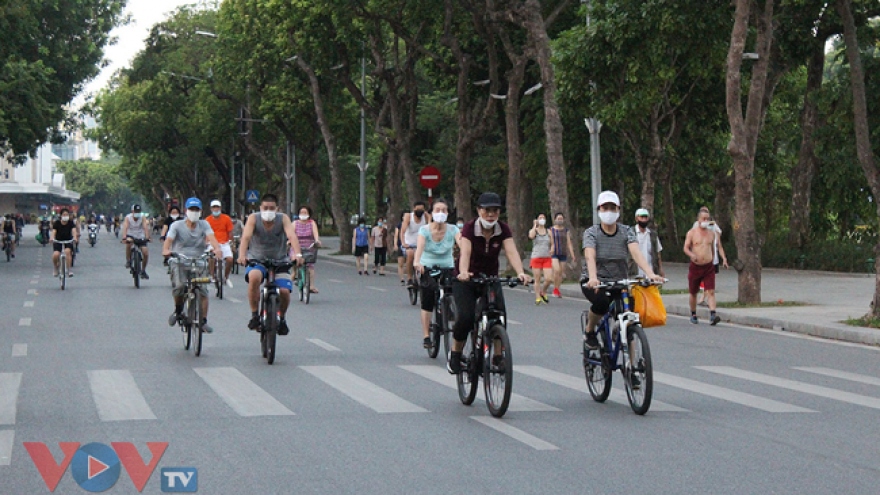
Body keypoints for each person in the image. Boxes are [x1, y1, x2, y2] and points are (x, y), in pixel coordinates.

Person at [448, 192, 531, 374]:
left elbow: (511, 251)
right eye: (487, 210)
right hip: (467, 278)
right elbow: (465, 252)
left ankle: (498, 356)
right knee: (466, 317)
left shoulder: (503, 229)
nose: (491, 214)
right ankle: (455, 354)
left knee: (499, 314)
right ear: (479, 210)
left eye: (495, 210)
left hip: (490, 278)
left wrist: (520, 272)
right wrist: (463, 272)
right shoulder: (470, 228)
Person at [581, 191, 663, 351]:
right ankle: (590, 331)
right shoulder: (591, 232)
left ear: (618, 210)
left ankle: (630, 360)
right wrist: (593, 277)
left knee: (628, 313)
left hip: (619, 281)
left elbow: (636, 253)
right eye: (605, 208)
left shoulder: (626, 231)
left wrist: (650, 273)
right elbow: (590, 255)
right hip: (595, 281)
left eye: (612, 208)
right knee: (601, 303)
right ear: (598, 210)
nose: (609, 211)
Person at [237, 193, 303, 335]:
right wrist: (242, 255)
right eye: (265, 207)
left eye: (272, 208)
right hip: (257, 259)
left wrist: (298, 254)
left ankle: (282, 318)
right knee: (254, 278)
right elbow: (246, 237)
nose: (268, 211)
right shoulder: (253, 218)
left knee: (284, 291)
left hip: (280, 260)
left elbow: (292, 236)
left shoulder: (283, 218)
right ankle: (255, 315)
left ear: (277, 208)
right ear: (260, 208)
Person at [163, 198, 223, 333]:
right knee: (180, 287)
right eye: (191, 209)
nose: (194, 212)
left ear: (200, 211)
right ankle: (178, 310)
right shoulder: (177, 225)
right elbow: (169, 240)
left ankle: (203, 321)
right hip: (180, 260)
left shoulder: (204, 224)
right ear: (186, 210)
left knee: (203, 291)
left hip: (199, 260)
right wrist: (166, 250)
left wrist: (217, 249)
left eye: (196, 210)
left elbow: (212, 238)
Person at [413, 199, 460, 349]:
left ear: (448, 213)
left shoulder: (453, 230)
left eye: (444, 210)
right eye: (437, 210)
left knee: (454, 291)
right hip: (428, 267)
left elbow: (463, 245)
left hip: (448, 266)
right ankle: (426, 335)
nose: (440, 213)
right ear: (431, 213)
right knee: (427, 301)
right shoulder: (424, 230)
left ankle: (449, 308)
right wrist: (417, 262)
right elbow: (420, 247)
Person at [684, 208, 728, 325]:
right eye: (703, 218)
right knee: (693, 292)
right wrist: (692, 255)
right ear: (698, 220)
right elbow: (686, 248)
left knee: (711, 291)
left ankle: (713, 314)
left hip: (708, 266)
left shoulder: (712, 234)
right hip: (696, 266)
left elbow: (714, 248)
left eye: (707, 219)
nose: (706, 221)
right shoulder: (692, 233)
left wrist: (715, 259)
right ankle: (693, 313)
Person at [205, 200, 235, 288]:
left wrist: (232, 244)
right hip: (212, 243)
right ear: (211, 209)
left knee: (230, 259)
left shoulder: (226, 218)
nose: (216, 209)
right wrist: (206, 242)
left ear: (220, 208)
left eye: (217, 207)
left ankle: (226, 277)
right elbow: (205, 233)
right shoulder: (207, 220)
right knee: (211, 257)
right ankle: (212, 276)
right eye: (214, 207)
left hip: (224, 243)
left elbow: (230, 232)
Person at [399, 201, 430, 286]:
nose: (420, 211)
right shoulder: (409, 216)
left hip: (420, 243)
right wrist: (403, 243)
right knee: (410, 254)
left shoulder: (426, 216)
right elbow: (402, 231)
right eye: (418, 209)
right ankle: (409, 278)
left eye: (421, 209)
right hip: (409, 243)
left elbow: (431, 228)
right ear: (414, 209)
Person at [292, 205, 322, 293]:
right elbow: (291, 235)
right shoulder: (294, 223)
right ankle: (295, 272)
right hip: (296, 245)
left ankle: (311, 286)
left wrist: (317, 241)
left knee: (310, 266)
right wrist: (289, 241)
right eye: (301, 212)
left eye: (305, 212)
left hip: (309, 246)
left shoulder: (312, 223)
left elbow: (315, 234)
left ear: (309, 214)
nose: (303, 214)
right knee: (295, 259)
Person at [529, 213, 555, 304]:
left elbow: (552, 243)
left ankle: (543, 291)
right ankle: (537, 297)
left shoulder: (549, 231)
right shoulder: (534, 230)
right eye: (540, 218)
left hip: (546, 257)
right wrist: (534, 225)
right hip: (536, 257)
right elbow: (531, 236)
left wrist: (552, 249)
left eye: (543, 218)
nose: (542, 219)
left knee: (549, 278)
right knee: (537, 279)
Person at [121, 204, 151, 279]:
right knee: (128, 244)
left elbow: (145, 227)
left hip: (140, 236)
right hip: (130, 235)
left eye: (138, 211)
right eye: (135, 211)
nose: (137, 213)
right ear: (132, 211)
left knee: (145, 253)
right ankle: (128, 260)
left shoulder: (142, 217)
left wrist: (147, 237)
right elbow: (125, 227)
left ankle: (143, 270)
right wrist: (124, 237)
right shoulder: (128, 217)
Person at [550, 212, 576, 298]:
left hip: (563, 253)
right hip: (554, 253)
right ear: (555, 219)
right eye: (558, 219)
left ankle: (557, 289)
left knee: (561, 273)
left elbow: (569, 243)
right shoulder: (551, 230)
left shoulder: (566, 231)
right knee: (556, 270)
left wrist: (572, 254)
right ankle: (555, 288)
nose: (560, 220)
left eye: (561, 219)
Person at [633, 208, 665, 278]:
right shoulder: (631, 233)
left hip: (650, 271)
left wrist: (660, 269)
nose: (644, 220)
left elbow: (658, 252)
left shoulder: (653, 234)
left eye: (646, 217)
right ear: (636, 219)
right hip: (635, 271)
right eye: (642, 217)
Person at [50, 208, 79, 277]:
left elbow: (74, 231)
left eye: (67, 215)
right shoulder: (57, 223)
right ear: (61, 215)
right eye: (64, 215)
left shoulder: (70, 223)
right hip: (58, 241)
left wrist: (75, 237)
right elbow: (54, 232)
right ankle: (56, 268)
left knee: (67, 252)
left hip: (68, 241)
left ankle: (69, 270)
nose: (65, 216)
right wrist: (51, 238)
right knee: (56, 254)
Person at [394, 212, 407, 285]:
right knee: (400, 263)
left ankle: (410, 278)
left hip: (409, 245)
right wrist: (395, 244)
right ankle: (402, 279)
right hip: (401, 245)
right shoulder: (399, 225)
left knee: (409, 263)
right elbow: (396, 235)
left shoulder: (410, 224)